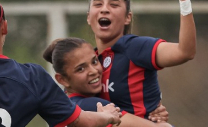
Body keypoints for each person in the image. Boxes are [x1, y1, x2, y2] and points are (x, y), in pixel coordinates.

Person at [86, 0, 196, 119]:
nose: (104, 9)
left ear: (127, 17)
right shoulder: (87, 62)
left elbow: (185, 52)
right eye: (98, 4)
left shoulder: (135, 47)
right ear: (88, 17)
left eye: (114, 4)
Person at [43, 37, 173, 127]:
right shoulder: (92, 106)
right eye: (80, 69)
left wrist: (151, 109)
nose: (93, 71)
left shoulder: (66, 105)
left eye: (94, 61)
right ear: (62, 79)